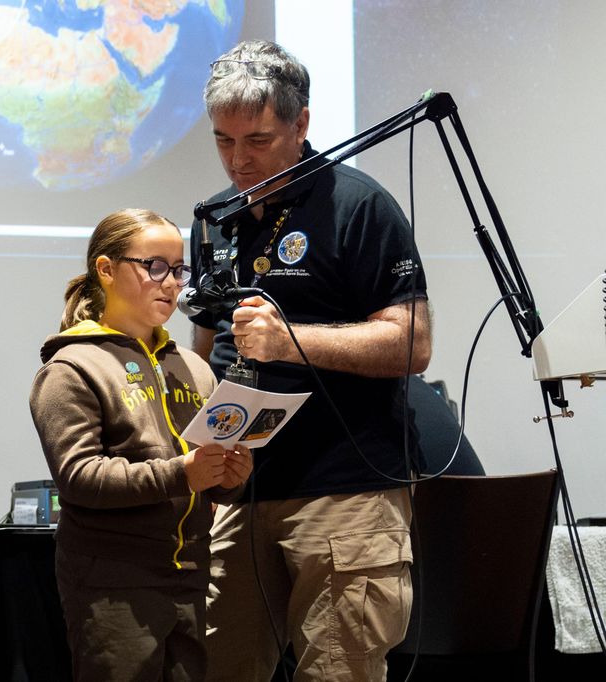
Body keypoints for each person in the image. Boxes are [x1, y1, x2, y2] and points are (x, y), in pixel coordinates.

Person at [187, 41, 432, 681]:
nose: (239, 161)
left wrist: (293, 339)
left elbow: (413, 342)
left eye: (259, 141)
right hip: (241, 488)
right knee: (218, 668)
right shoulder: (216, 217)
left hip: (345, 492)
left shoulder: (359, 205)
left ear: (301, 124)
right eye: (223, 141)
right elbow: (206, 350)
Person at [29, 208, 254, 682]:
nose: (171, 283)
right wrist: (182, 473)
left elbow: (205, 474)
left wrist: (229, 478)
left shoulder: (192, 366)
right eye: (154, 266)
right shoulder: (71, 367)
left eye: (178, 269)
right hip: (113, 584)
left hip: (190, 575)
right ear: (106, 271)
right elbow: (80, 478)